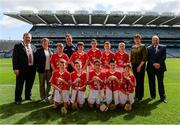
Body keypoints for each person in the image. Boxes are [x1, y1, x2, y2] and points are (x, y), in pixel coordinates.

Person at [12, 33, 36, 104]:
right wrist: (15, 68)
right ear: (23, 38)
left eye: (29, 38)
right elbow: (15, 58)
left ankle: (28, 96)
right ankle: (18, 99)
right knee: (20, 84)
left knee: (29, 84)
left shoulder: (33, 46)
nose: (28, 39)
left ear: (31, 39)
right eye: (26, 37)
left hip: (31, 69)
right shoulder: (18, 46)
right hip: (21, 69)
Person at [146, 35, 167, 103]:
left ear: (159, 40)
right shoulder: (148, 48)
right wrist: (153, 64)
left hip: (160, 67)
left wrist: (158, 63)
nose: (155, 41)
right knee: (151, 82)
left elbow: (164, 57)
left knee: (160, 82)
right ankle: (153, 95)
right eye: (154, 40)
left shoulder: (163, 47)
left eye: (156, 40)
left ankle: (162, 97)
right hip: (150, 67)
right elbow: (148, 58)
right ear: (152, 41)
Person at [130, 34, 148, 101]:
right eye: (135, 39)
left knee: (140, 81)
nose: (137, 40)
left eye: (138, 39)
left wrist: (140, 66)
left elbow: (145, 57)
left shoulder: (143, 46)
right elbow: (131, 57)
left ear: (140, 39)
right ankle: (136, 95)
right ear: (134, 40)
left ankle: (140, 95)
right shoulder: (133, 47)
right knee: (135, 80)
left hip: (141, 65)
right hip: (134, 65)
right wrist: (131, 66)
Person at [35, 38, 53, 102]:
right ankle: (42, 97)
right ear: (42, 44)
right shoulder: (38, 51)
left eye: (46, 42)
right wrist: (37, 68)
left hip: (49, 70)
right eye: (43, 42)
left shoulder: (51, 50)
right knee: (42, 84)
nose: (45, 43)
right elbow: (35, 61)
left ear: (48, 43)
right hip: (41, 70)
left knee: (49, 84)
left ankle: (47, 96)